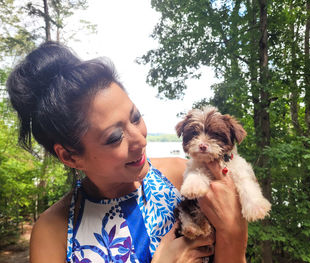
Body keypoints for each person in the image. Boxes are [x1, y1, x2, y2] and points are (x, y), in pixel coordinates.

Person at [6, 41, 247, 263]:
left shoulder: (182, 178)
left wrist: (234, 231)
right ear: (70, 156)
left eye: (135, 117)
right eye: (114, 137)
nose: (139, 140)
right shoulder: (53, 232)